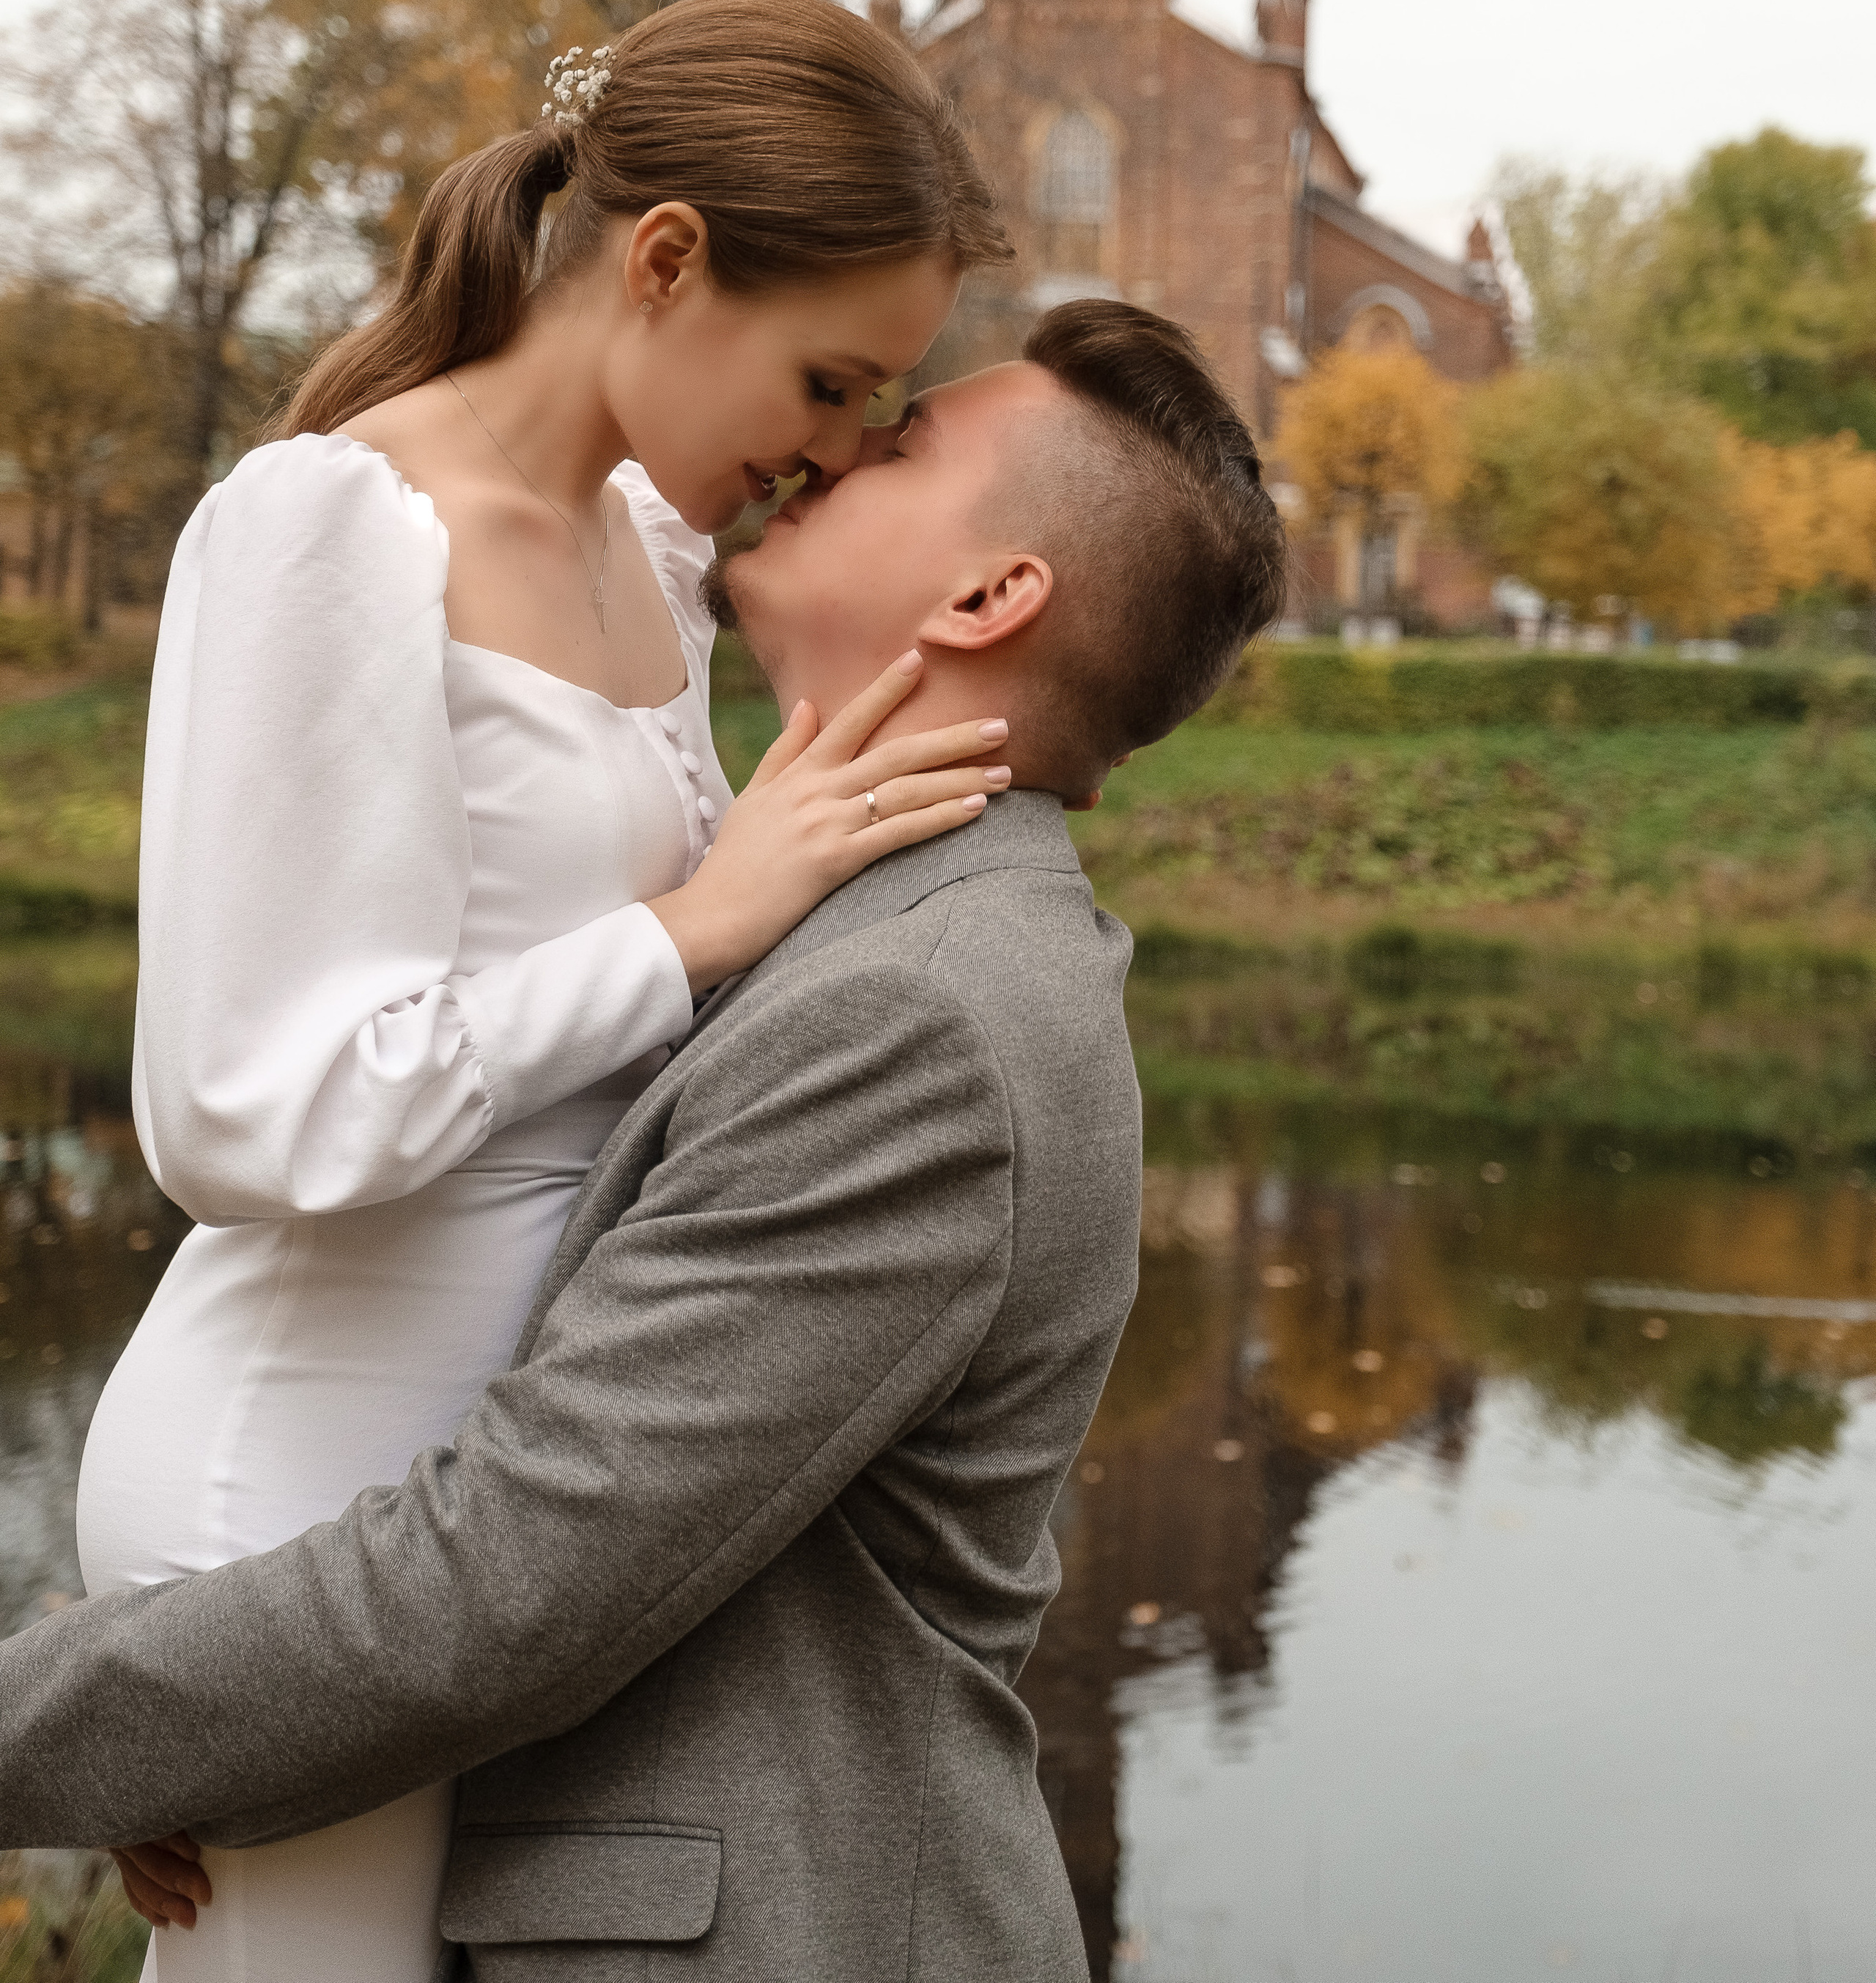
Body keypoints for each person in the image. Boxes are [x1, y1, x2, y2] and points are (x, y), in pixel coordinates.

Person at [0, 298, 1288, 1982]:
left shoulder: (913, 1017)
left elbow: (511, 1582)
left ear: (988, 597)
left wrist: (89, 1725)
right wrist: (207, 1727)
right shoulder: (842, 922)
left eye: (895, 439)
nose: (830, 450)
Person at [69, 0, 1020, 1981]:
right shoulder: (335, 527)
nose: (833, 451)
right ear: (665, 261)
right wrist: (689, 930)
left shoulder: (649, 554)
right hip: (299, 1475)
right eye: (830, 381)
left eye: (873, 406)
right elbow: (243, 1117)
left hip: (502, 1519)